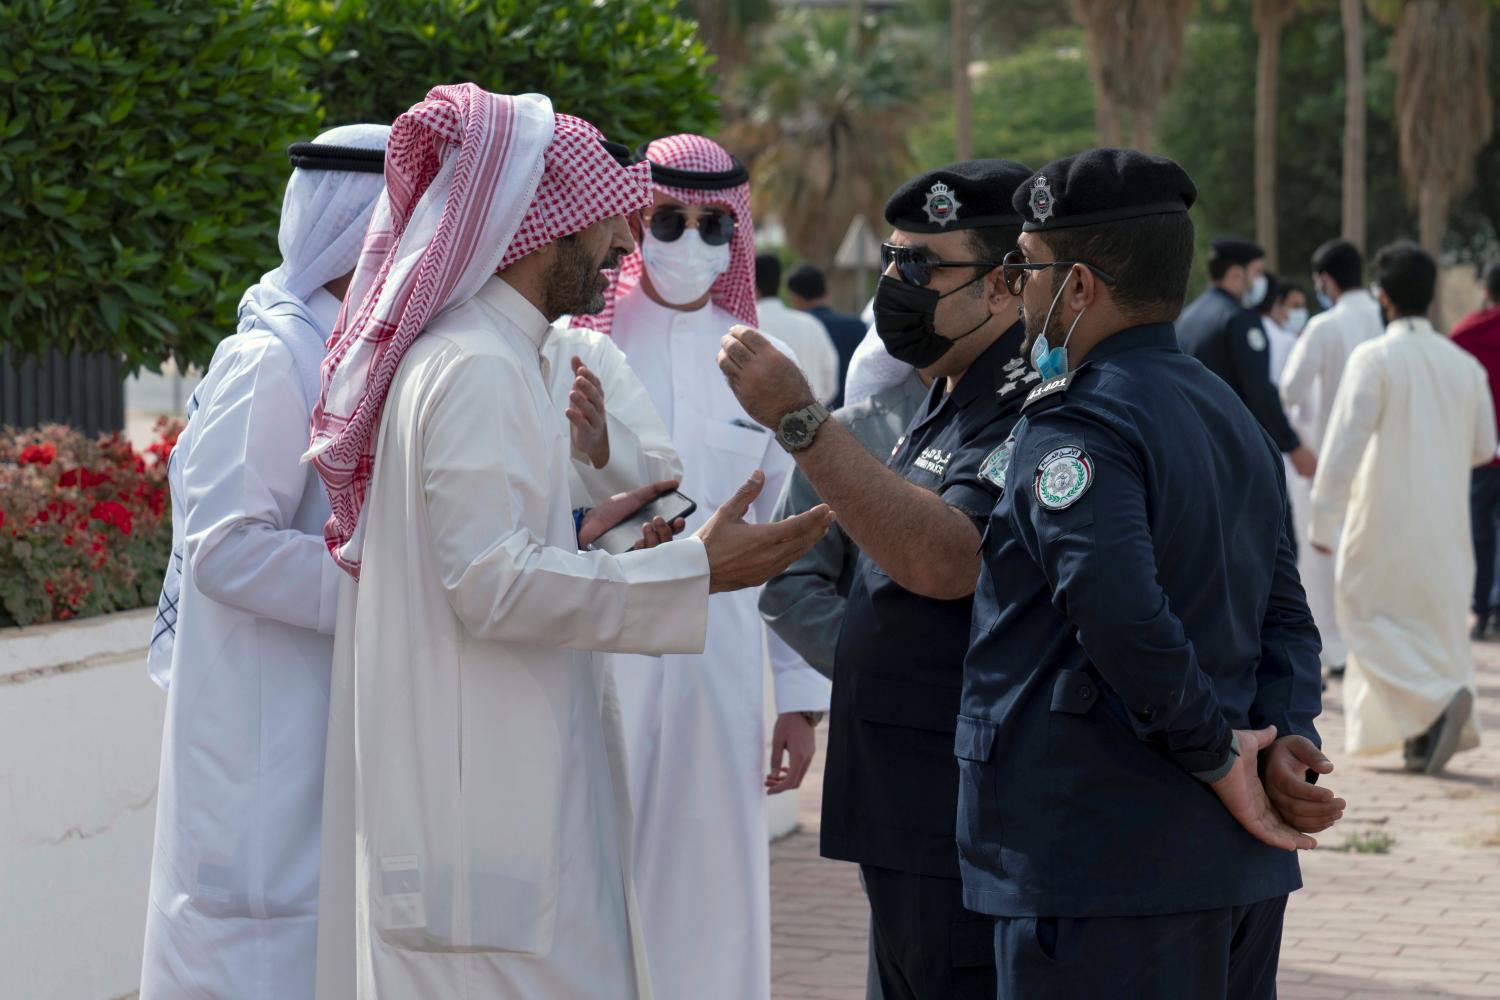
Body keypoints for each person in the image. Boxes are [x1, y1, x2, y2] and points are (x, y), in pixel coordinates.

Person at [306, 87, 832, 1000]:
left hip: (520, 792)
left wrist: (625, 508)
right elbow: (491, 584)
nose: (626, 246)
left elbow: (551, 532)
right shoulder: (472, 366)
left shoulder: (523, 354)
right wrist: (697, 570)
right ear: (536, 226)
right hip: (485, 817)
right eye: (604, 225)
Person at [958, 149, 1340, 997]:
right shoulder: (1229, 413)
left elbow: (1123, 614)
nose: (1016, 288)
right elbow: (1286, 614)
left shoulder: (1077, 425)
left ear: (1080, 286)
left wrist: (1222, 760)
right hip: (1226, 872)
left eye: (1026, 266)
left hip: (1105, 867)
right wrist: (1286, 734)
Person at [722, 159, 1041, 1000]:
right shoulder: (939, 395)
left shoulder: (1026, 403)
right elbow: (815, 582)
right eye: (893, 262)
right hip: (903, 799)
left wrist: (799, 419)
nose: (898, 284)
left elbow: (945, 559)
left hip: (963, 804)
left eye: (924, 266)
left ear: (1008, 283)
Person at [573, 133, 832, 1000]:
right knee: (592, 865)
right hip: (594, 643)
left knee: (715, 876)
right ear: (636, 217)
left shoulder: (762, 362)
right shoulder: (579, 344)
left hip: (719, 659)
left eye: (714, 224)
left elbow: (785, 534)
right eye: (671, 219)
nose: (692, 242)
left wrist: (798, 696)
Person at [139, 124, 389, 1000]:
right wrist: (386, 586)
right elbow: (224, 549)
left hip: (315, 721)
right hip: (259, 742)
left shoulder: (341, 354)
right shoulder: (273, 357)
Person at [1309, 241, 1496, 775]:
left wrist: (1323, 518)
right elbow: (1485, 448)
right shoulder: (1464, 366)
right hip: (1447, 525)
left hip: (1381, 520)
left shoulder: (1374, 358)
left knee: (1363, 618)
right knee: (1434, 630)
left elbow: (1344, 445)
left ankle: (1436, 702)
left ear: (1383, 297)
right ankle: (1423, 732)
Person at [1280, 239, 1384, 674]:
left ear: (1326, 280)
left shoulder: (1324, 327)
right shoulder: (1385, 319)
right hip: (1379, 461)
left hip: (1327, 460)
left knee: (1321, 554)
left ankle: (1334, 649)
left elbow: (1288, 391)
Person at [1178, 236, 1317, 480]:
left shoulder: (1188, 318)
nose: (1261, 281)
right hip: (1230, 455)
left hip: (1190, 450)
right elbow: (1259, 390)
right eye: (1257, 272)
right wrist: (1293, 446)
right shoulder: (1241, 319)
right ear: (1235, 275)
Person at [1451, 260, 1500, 639]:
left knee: (1480, 532)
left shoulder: (1465, 334)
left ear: (1485, 290)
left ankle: (1482, 609)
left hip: (1480, 450)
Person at [756, 253, 842, 405]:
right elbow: (830, 384)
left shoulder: (741, 326)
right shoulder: (811, 325)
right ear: (779, 282)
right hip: (812, 423)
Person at [788, 263, 868, 408]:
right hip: (857, 413)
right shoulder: (857, 326)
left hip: (815, 417)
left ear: (795, 298)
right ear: (826, 293)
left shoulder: (799, 330)